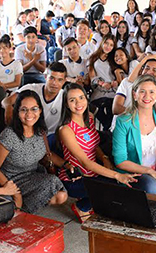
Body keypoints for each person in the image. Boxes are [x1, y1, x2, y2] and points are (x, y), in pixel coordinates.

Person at [57, 83, 138, 221]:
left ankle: (97, 202)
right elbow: (85, 162)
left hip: (94, 172)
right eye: (72, 100)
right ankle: (82, 206)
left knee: (124, 185)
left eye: (81, 98)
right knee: (117, 186)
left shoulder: (88, 117)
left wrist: (104, 158)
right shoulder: (66, 129)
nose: (78, 103)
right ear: (66, 104)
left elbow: (94, 145)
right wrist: (116, 175)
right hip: (77, 178)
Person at [0, 91, 68, 213]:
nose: (29, 114)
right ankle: (20, 210)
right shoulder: (9, 136)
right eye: (24, 110)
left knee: (61, 195)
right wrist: (13, 191)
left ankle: (23, 209)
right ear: (17, 112)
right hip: (9, 179)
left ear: (40, 110)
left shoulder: (40, 130)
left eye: (34, 109)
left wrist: (65, 164)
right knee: (51, 182)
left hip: (31, 176)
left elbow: (45, 155)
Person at [112, 75, 156, 196]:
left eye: (152, 92)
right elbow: (120, 161)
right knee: (152, 187)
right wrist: (150, 172)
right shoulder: (123, 121)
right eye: (142, 91)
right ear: (134, 94)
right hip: (134, 173)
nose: (147, 96)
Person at [4, 62, 68, 142]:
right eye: (51, 78)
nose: (55, 83)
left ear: (64, 81)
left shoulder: (67, 96)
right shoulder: (31, 88)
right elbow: (6, 101)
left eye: (60, 80)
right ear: (45, 77)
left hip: (52, 138)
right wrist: (8, 108)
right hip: (28, 135)